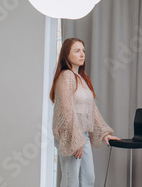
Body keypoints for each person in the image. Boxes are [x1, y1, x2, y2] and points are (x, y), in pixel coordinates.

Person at [50, 38, 120, 187]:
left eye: (83, 50)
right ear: (66, 55)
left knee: (88, 179)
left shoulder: (82, 79)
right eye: (77, 51)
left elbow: (91, 110)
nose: (82, 54)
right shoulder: (66, 76)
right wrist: (74, 139)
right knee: (72, 181)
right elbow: (66, 109)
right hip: (70, 134)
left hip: (84, 136)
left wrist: (104, 133)